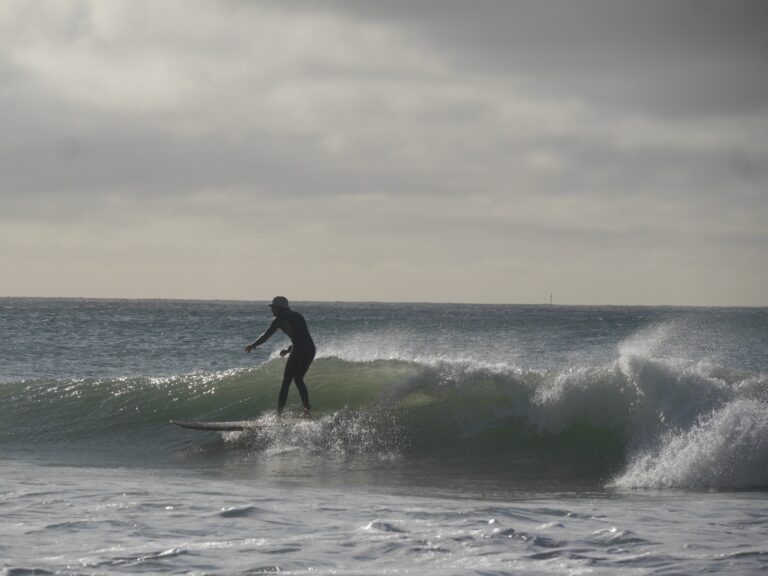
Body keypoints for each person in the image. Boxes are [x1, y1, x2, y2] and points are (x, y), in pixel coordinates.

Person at [245, 296, 315, 417]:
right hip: (310, 349)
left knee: (286, 382)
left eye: (273, 307)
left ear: (279, 308)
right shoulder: (298, 315)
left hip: (299, 350)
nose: (272, 310)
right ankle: (307, 410)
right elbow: (301, 336)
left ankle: (279, 415)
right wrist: (289, 350)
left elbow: (267, 334)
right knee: (298, 379)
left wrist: (253, 345)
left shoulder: (279, 319)